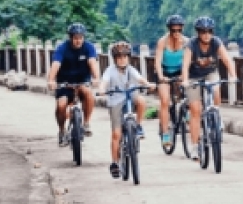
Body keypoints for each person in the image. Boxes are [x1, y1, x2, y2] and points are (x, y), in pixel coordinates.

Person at [181, 16, 237, 161]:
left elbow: (226, 59)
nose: (206, 35)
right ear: (198, 33)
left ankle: (216, 114)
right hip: (193, 77)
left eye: (209, 31)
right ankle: (194, 146)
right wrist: (185, 80)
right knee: (195, 110)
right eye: (203, 32)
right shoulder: (191, 44)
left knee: (216, 89)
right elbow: (186, 64)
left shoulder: (216, 42)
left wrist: (233, 75)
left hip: (210, 73)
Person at [98, 41, 153, 179]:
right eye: (119, 57)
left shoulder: (131, 69)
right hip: (115, 100)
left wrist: (148, 84)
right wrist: (102, 90)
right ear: (115, 59)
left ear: (128, 57)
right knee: (116, 134)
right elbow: (104, 82)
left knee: (141, 101)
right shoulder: (109, 71)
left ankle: (138, 125)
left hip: (130, 95)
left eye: (124, 57)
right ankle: (115, 163)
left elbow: (140, 79)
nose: (122, 60)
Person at [47, 23, 100, 145]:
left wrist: (96, 78)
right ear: (70, 38)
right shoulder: (62, 48)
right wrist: (51, 80)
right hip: (64, 83)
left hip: (82, 81)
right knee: (61, 105)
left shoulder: (89, 47)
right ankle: (61, 131)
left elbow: (93, 62)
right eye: (75, 38)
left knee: (88, 94)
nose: (78, 40)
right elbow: (56, 64)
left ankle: (86, 123)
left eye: (80, 37)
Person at [155, 14, 189, 148]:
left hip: (179, 71)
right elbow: (157, 61)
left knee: (189, 92)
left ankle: (185, 113)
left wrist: (184, 76)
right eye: (173, 30)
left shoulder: (186, 42)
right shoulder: (162, 42)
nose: (176, 33)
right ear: (169, 30)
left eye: (179, 30)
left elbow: (188, 61)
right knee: (165, 101)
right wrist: (161, 76)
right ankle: (165, 134)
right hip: (164, 71)